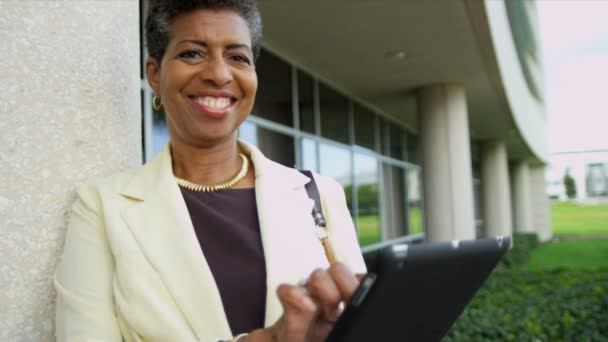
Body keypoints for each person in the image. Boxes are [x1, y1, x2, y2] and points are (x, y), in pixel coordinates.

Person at [54, 1, 366, 341]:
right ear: (155, 74)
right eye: (192, 54)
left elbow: (365, 327)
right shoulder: (101, 206)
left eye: (238, 57)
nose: (219, 74)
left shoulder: (318, 193)